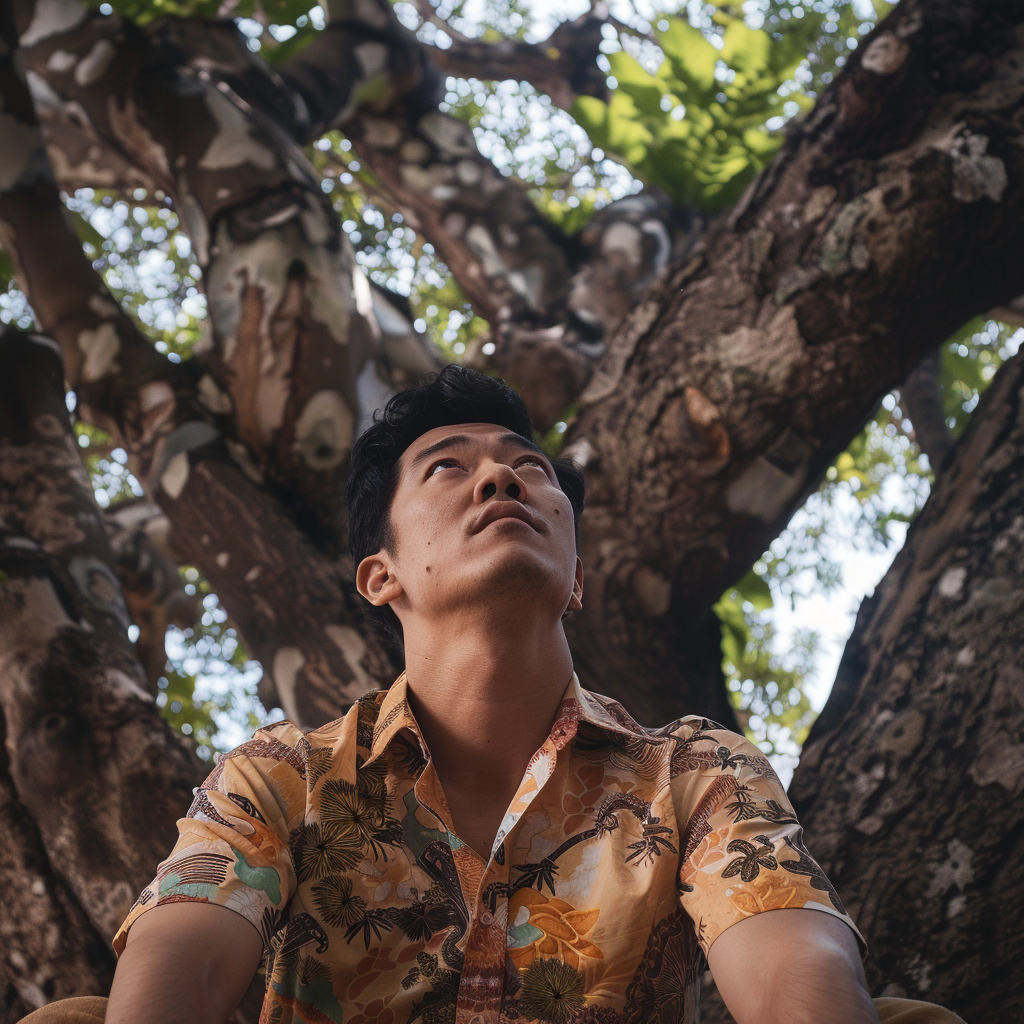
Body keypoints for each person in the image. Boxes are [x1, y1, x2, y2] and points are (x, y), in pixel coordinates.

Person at [22, 366, 966, 1024]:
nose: (502, 477)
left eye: (530, 468)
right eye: (448, 467)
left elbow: (791, 960)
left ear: (578, 576)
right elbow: (179, 960)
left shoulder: (694, 769)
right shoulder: (281, 775)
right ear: (380, 576)